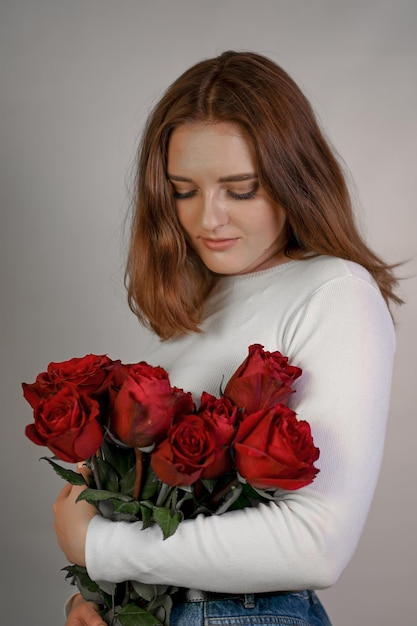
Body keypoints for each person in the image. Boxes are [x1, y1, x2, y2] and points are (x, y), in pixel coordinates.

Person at [53, 50, 402, 626]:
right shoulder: (204, 301)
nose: (207, 220)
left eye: (240, 189)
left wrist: (101, 552)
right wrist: (96, 595)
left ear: (296, 178)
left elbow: (314, 544)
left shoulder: (335, 290)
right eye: (183, 190)